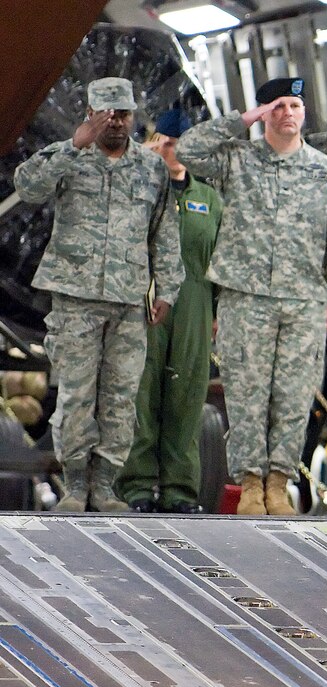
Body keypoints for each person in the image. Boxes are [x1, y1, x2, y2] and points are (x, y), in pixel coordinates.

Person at [176, 77, 327, 516]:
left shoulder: (324, 171)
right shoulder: (238, 159)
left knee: (294, 398)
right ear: (263, 114)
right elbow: (188, 150)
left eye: (295, 104)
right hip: (245, 297)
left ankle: (279, 483)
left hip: (305, 302)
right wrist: (242, 120)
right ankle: (251, 484)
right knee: (247, 394)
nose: (288, 113)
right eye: (277, 106)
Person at [14, 77, 183, 513]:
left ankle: (106, 486)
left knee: (121, 397)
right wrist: (72, 144)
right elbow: (28, 186)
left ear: (132, 116)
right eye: (106, 114)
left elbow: (163, 233)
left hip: (128, 301)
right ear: (90, 113)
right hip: (75, 298)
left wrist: (166, 287)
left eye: (123, 115)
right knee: (75, 395)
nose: (115, 123)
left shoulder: (151, 168)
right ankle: (74, 486)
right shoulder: (71, 158)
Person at [117, 108, 222, 514]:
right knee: (142, 390)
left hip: (194, 299)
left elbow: (219, 257)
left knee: (187, 393)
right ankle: (138, 485)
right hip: (147, 294)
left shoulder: (208, 198)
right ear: (156, 143)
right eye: (169, 143)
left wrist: (215, 311)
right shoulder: (138, 189)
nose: (175, 152)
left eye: (182, 145)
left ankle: (180, 488)